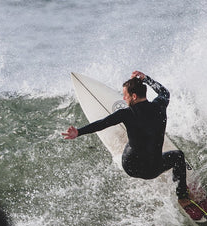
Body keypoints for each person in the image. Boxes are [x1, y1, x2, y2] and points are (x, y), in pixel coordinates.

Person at [62, 71, 192, 209]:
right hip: (153, 169)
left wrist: (79, 132)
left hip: (131, 166)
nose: (124, 98)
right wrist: (146, 79)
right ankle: (182, 196)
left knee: (131, 142)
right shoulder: (160, 105)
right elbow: (165, 92)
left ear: (134, 96)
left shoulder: (126, 113)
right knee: (178, 156)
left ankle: (132, 142)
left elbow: (102, 123)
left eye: (125, 95)